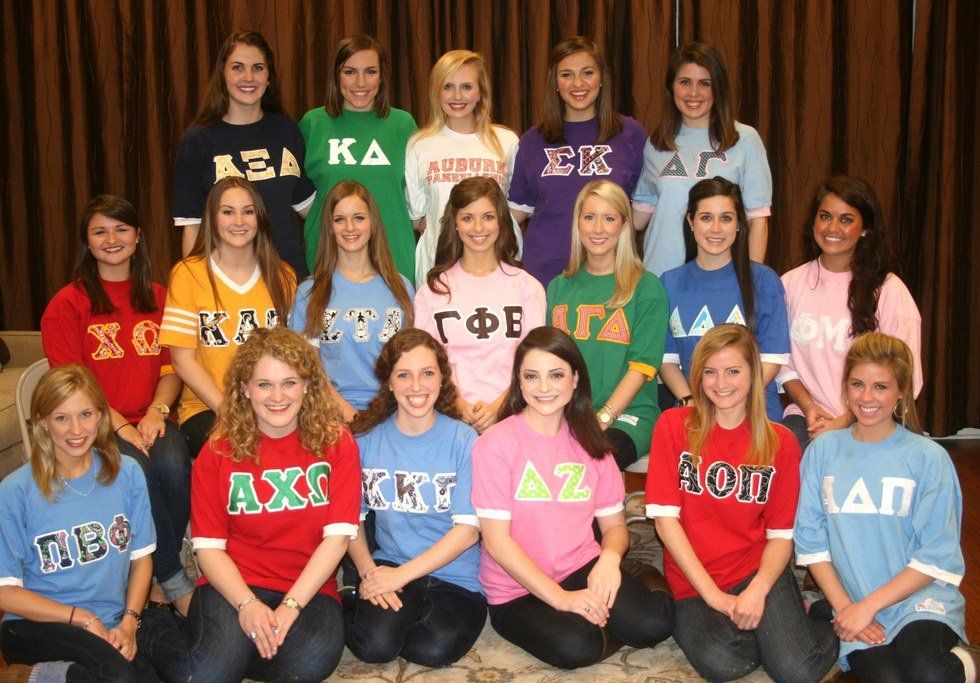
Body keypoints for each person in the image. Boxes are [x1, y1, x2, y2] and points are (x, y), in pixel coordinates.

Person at [138, 327, 361, 682]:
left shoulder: (337, 443)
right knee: (206, 675)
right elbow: (208, 549)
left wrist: (290, 607)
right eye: (264, 384)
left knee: (310, 662)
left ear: (307, 384)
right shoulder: (218, 450)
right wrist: (247, 604)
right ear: (244, 388)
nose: (278, 396)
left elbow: (336, 540)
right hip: (234, 584)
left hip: (308, 587)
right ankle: (152, 629)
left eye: (289, 383)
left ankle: (229, 648)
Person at [472, 327, 674, 669]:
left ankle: (634, 574)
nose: (544, 387)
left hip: (581, 565)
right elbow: (496, 542)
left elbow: (614, 528)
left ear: (575, 379)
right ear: (518, 382)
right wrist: (561, 599)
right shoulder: (495, 444)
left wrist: (609, 560)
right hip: (515, 589)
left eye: (556, 375)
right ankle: (593, 618)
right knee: (577, 645)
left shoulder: (593, 444)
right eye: (532, 376)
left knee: (653, 625)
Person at [646, 324, 837, 682]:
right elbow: (665, 522)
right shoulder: (673, 425)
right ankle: (773, 630)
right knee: (726, 660)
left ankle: (822, 613)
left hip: (755, 569)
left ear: (754, 374)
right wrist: (714, 597)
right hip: (694, 581)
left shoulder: (781, 443)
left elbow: (781, 536)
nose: (721, 383)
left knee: (796, 671)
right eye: (710, 372)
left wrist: (758, 590)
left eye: (733, 371)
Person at [41, 195, 194, 615]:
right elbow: (72, 385)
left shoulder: (161, 296)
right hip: (93, 425)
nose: (112, 239)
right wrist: (120, 425)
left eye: (121, 229)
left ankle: (153, 575)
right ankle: (172, 578)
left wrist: (156, 412)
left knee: (174, 464)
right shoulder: (67, 304)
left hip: (152, 416)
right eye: (100, 231)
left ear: (138, 236)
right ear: (87, 242)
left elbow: (173, 368)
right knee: (137, 469)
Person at [794, 332, 975, 681]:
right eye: (857, 384)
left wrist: (869, 606)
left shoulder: (928, 458)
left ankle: (972, 661)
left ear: (901, 392)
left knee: (928, 671)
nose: (866, 397)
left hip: (917, 598)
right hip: (852, 601)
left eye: (881, 386)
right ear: (845, 387)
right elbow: (812, 543)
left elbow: (935, 556)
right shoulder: (822, 451)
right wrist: (848, 608)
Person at [0, 365, 157, 681]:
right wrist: (80, 617)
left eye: (85, 414)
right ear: (42, 423)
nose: (76, 429)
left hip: (109, 619)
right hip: (34, 625)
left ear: (100, 415)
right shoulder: (15, 490)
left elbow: (142, 559)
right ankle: (30, 676)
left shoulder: (128, 473)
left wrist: (129, 621)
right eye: (61, 418)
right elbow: (5, 592)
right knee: (117, 676)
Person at [344, 328, 485, 667]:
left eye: (427, 373)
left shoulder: (464, 439)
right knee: (376, 647)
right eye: (403, 375)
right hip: (390, 563)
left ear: (442, 379)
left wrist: (401, 577)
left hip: (456, 577)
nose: (416, 386)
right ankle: (348, 599)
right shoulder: (365, 440)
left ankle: (394, 615)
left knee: (433, 649)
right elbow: (350, 522)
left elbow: (468, 531)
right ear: (389, 383)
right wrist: (369, 574)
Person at [778, 175, 922, 448]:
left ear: (865, 228)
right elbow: (783, 364)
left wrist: (845, 421)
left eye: (846, 219)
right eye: (825, 216)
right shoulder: (789, 284)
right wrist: (809, 407)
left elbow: (907, 377)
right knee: (782, 454)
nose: (833, 228)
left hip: (872, 418)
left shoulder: (889, 290)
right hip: (808, 416)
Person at [161, 176, 296, 459]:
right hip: (208, 408)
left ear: (260, 217)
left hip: (274, 404)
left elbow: (293, 357)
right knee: (248, 452)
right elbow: (182, 360)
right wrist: (231, 413)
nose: (239, 221)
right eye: (227, 211)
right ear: (212, 218)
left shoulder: (283, 276)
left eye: (248, 211)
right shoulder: (187, 275)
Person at [173, 30, 315, 278]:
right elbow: (192, 227)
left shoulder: (286, 130)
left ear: (269, 77)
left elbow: (311, 210)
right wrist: (194, 287)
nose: (248, 77)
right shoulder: (198, 141)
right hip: (229, 284)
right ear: (223, 74)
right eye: (237, 67)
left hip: (289, 278)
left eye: (257, 68)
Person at [546, 180, 668, 469]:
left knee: (589, 467)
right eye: (589, 217)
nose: (598, 228)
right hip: (568, 413)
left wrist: (602, 419)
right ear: (578, 223)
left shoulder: (646, 287)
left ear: (624, 226)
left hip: (627, 415)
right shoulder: (557, 287)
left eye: (609, 218)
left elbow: (642, 367)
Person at [508, 36, 647, 286]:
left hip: (613, 277)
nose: (578, 83)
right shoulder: (532, 141)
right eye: (567, 75)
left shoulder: (631, 134)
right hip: (545, 277)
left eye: (588, 73)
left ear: (602, 78)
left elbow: (643, 210)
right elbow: (515, 213)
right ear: (555, 82)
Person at [414, 177, 545, 434]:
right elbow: (426, 364)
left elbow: (534, 361)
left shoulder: (528, 287)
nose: (478, 227)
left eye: (488, 217)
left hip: (514, 415)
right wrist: (460, 406)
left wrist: (498, 408)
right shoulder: (432, 292)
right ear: (455, 223)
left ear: (501, 221)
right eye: (467, 218)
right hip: (449, 418)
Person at [632, 42, 772, 276]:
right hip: (659, 277)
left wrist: (751, 281)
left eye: (704, 83)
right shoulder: (656, 143)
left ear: (718, 88)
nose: (693, 93)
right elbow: (637, 219)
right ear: (671, 87)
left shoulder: (745, 139)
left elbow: (757, 221)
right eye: (685, 82)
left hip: (720, 278)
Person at [659, 177, 790, 423]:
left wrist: (729, 405)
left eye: (726, 218)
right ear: (691, 221)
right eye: (706, 218)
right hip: (694, 410)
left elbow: (771, 360)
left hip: (753, 410)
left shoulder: (764, 281)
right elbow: (667, 361)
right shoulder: (668, 282)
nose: (716, 228)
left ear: (739, 223)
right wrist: (691, 401)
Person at [289, 180, 414, 423]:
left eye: (358, 218)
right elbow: (306, 368)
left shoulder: (401, 288)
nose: (350, 227)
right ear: (329, 227)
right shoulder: (309, 293)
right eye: (339, 219)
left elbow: (410, 363)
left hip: (393, 414)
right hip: (331, 417)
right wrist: (348, 414)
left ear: (372, 222)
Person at [300, 35, 417, 282]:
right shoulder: (313, 123)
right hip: (329, 262)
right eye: (350, 72)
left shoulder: (403, 125)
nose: (360, 82)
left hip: (393, 261)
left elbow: (415, 198)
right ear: (337, 76)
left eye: (370, 72)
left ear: (382, 76)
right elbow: (301, 196)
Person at [406, 49, 519, 285]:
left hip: (497, 268)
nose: (457, 96)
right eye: (448, 86)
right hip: (439, 270)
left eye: (467, 87)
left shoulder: (506, 142)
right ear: (436, 92)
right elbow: (417, 217)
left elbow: (515, 209)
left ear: (480, 93)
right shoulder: (419, 144)